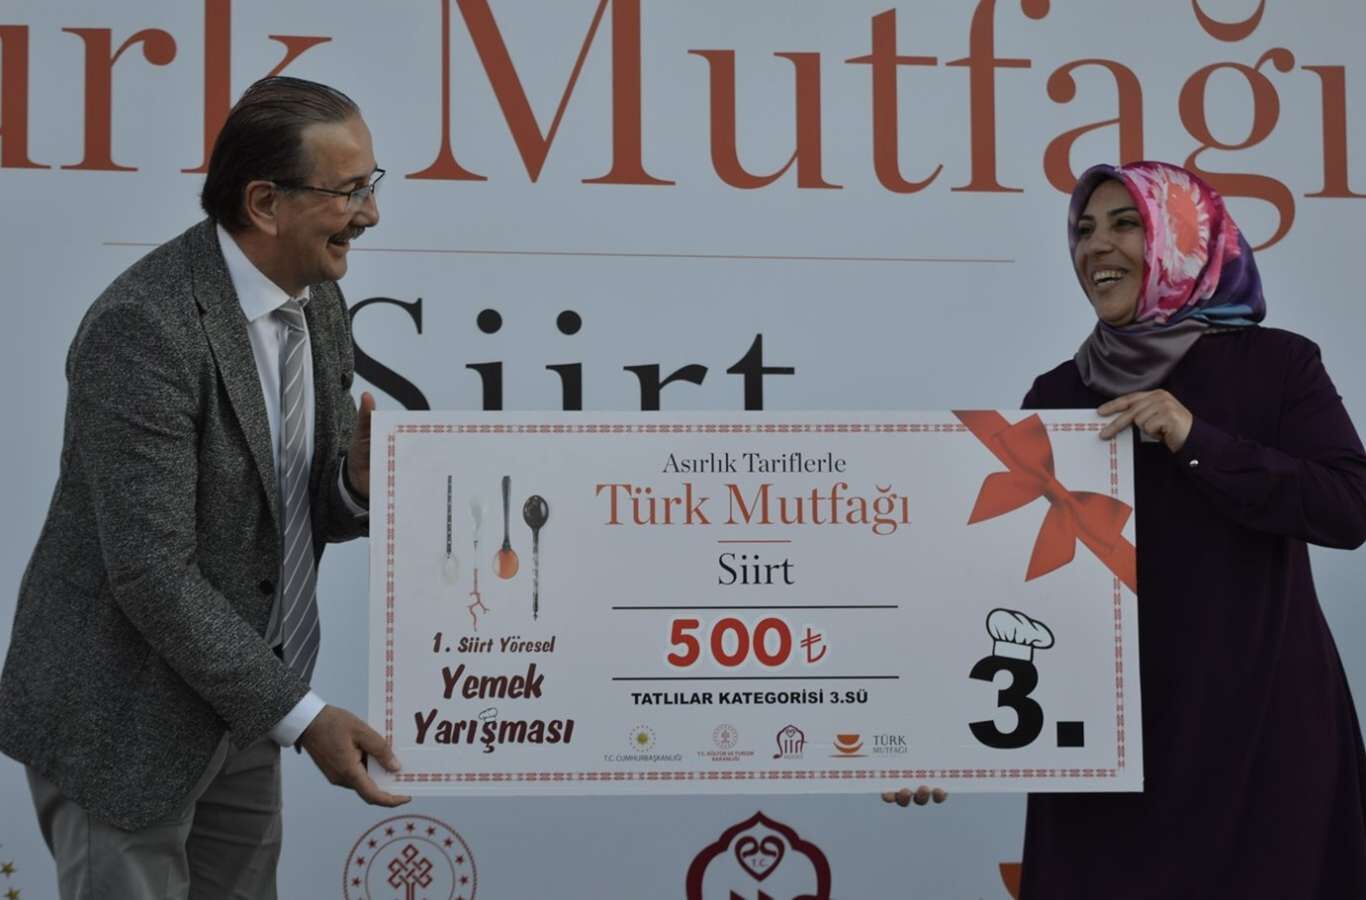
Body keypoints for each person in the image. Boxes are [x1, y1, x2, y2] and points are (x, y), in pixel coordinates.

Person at [0, 76, 409, 899]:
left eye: (371, 183)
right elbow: (150, 572)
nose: (370, 213)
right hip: (123, 719)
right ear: (264, 203)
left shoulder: (319, 301)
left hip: (241, 701)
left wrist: (354, 486)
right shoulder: (143, 328)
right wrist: (304, 717)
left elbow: (298, 514)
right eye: (348, 190)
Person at [1016, 161, 1366, 897]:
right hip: (1108, 753)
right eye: (1084, 230)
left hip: (1259, 736)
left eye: (1126, 224)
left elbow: (1348, 505)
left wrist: (1195, 437)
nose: (1096, 246)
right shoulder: (1058, 393)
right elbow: (1011, 579)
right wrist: (935, 735)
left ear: (1182, 239)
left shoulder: (1277, 365)